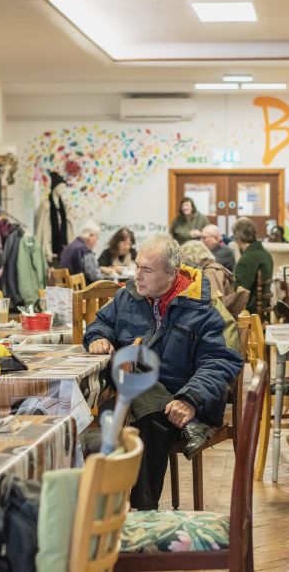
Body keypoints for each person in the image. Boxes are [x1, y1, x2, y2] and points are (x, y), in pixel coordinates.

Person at [83, 234, 243, 510]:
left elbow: (220, 360)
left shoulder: (204, 308)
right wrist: (99, 337)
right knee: (127, 416)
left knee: (145, 423)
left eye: (147, 270)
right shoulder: (128, 296)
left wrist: (190, 399)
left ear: (172, 273)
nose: (137, 276)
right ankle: (131, 514)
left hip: (187, 398)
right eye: (137, 266)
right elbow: (101, 323)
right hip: (146, 399)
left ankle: (140, 515)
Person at [232, 217, 273, 315]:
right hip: (263, 309)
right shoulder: (265, 254)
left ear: (238, 237)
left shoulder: (248, 259)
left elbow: (240, 291)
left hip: (250, 312)